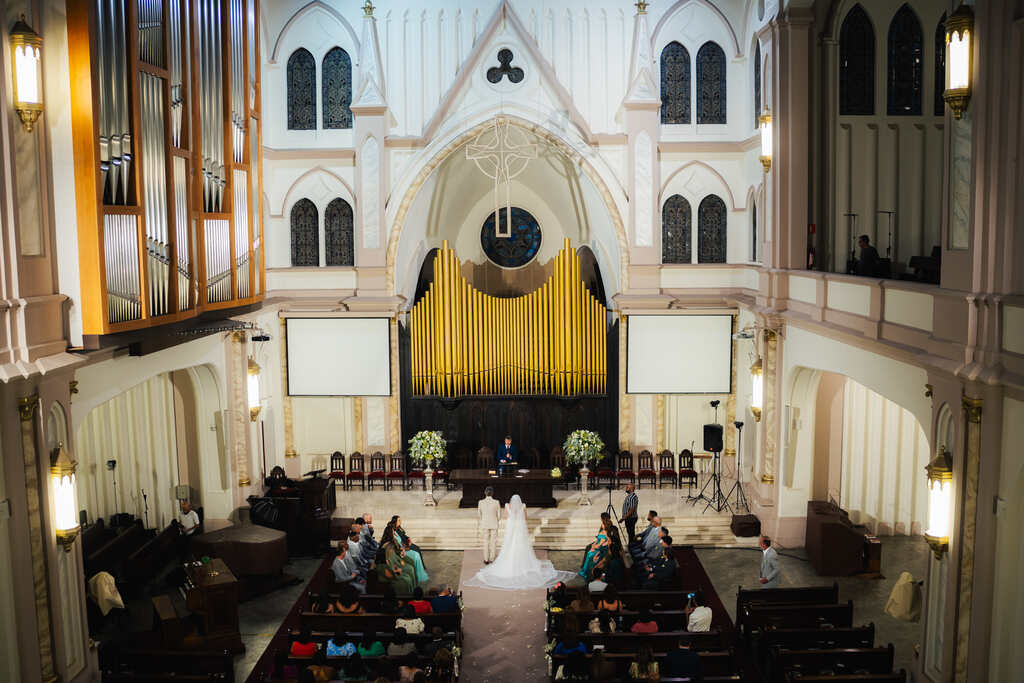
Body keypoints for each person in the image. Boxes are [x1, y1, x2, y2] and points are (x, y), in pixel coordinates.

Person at [465, 494, 576, 589]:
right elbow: (525, 518)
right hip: (519, 528)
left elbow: (506, 517)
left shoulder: (508, 506)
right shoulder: (523, 506)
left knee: (509, 545)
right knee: (520, 545)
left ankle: (494, 559)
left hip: (511, 528)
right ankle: (522, 562)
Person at [478, 486, 501, 564]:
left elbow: (479, 515)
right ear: (492, 493)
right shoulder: (496, 502)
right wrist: (496, 520)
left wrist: (483, 520)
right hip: (494, 523)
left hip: (484, 524)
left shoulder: (480, 502)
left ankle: (486, 559)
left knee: (486, 541)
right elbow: (499, 515)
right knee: (493, 542)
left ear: (485, 493)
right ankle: (492, 559)